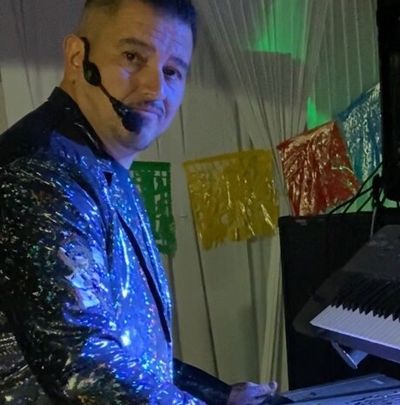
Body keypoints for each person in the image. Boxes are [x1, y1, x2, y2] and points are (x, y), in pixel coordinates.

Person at [0, 0, 276, 403]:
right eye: (133, 57)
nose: (155, 89)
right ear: (78, 58)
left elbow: (136, 353)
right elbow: (87, 371)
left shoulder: (99, 163)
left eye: (172, 72)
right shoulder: (38, 172)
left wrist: (221, 396)